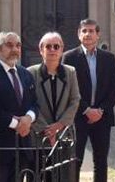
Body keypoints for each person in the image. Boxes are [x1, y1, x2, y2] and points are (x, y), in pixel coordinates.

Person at [63, 19, 115, 182]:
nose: (88, 34)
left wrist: (100, 110)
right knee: (75, 161)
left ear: (98, 35)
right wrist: (86, 110)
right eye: (84, 31)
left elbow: (114, 88)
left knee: (101, 162)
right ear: (79, 34)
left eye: (91, 31)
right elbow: (68, 89)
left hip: (102, 118)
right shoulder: (69, 57)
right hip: (78, 117)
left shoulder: (108, 58)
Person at [0, 32, 38, 182]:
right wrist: (18, 124)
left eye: (18, 45)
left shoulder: (25, 74)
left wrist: (29, 118)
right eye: (9, 45)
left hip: (21, 146)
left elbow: (34, 103)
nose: (15, 49)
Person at [29, 33, 81, 182]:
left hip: (63, 135)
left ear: (61, 49)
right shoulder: (30, 73)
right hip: (39, 136)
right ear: (41, 50)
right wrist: (46, 130)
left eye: (56, 46)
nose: (52, 50)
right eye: (48, 46)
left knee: (62, 176)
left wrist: (59, 126)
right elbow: (29, 102)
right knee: (39, 176)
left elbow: (75, 99)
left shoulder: (70, 72)